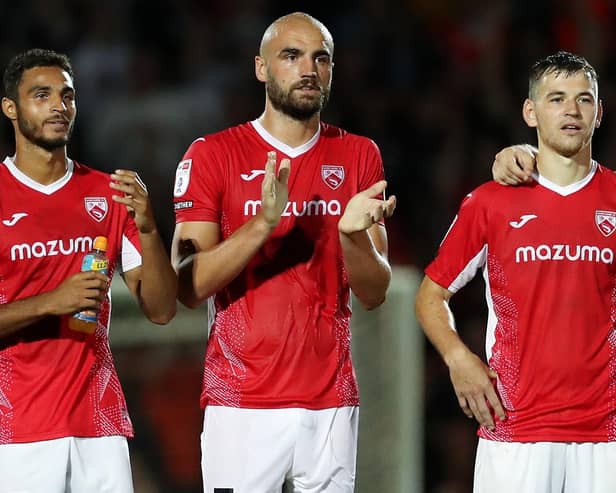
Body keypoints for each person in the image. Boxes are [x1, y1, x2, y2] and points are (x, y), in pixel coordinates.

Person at [171, 12, 396, 493]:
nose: (308, 69)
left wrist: (353, 236)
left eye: (321, 58)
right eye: (291, 56)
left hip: (331, 401)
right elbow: (186, 286)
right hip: (241, 403)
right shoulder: (213, 154)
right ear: (261, 67)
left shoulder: (359, 155)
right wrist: (263, 225)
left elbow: (375, 292)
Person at [415, 51, 616, 493]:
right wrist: (458, 358)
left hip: (606, 434)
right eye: (556, 99)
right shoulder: (490, 202)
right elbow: (431, 294)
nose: (571, 110)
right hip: (515, 427)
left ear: (599, 113)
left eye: (584, 100)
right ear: (530, 111)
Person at [0, 48, 177, 493]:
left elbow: (160, 309)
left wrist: (149, 227)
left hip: (100, 425)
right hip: (17, 432)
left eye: (67, 95)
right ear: (10, 108)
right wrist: (52, 302)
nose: (59, 106)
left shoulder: (109, 193)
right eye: (41, 95)